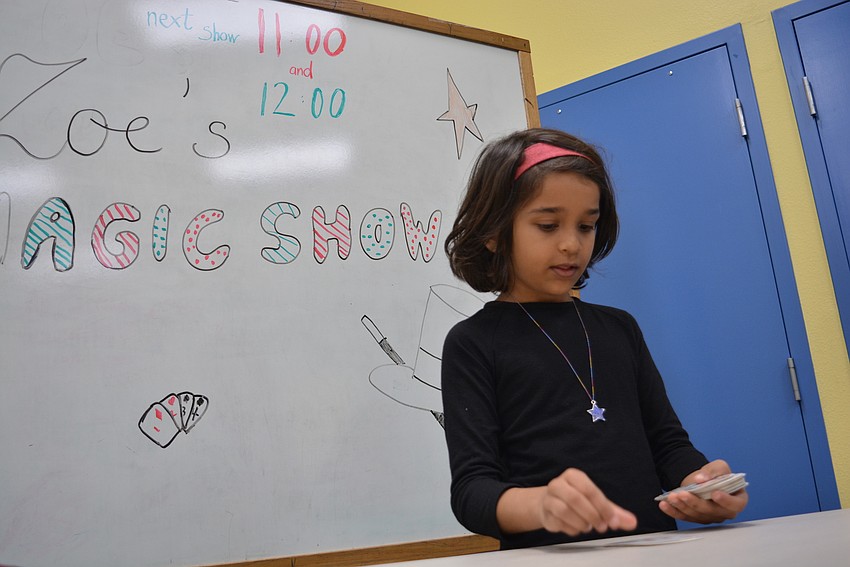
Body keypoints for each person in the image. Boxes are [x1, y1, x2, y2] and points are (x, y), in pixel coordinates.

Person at [441, 127, 748, 550]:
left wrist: (702, 484)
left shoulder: (620, 328)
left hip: (652, 551)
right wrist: (541, 505)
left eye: (586, 226)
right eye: (548, 225)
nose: (572, 244)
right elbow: (472, 492)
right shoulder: (472, 343)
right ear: (493, 232)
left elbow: (668, 445)